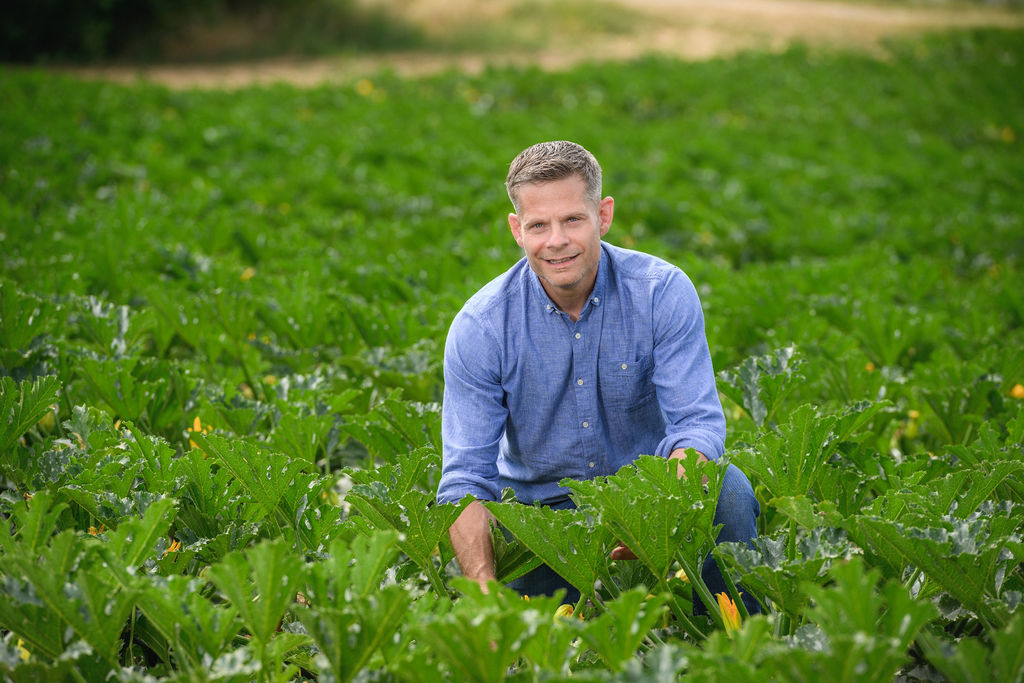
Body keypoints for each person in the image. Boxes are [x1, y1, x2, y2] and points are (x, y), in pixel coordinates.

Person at [436, 140, 760, 614]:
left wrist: (658, 511)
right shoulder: (482, 326)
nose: (557, 241)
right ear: (516, 230)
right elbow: (465, 479)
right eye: (538, 225)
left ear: (603, 216)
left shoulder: (661, 292)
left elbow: (697, 427)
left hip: (653, 500)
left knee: (729, 493)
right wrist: (483, 589)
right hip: (542, 526)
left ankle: (736, 637)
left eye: (572, 219)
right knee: (533, 648)